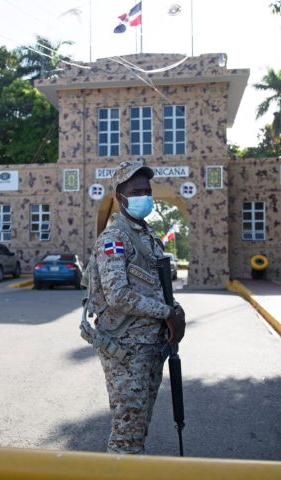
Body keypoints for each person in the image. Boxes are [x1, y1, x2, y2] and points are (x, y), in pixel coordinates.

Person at [81, 159, 186, 454]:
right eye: (136, 191)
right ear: (120, 197)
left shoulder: (148, 237)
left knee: (138, 427)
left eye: (146, 190)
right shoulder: (114, 238)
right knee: (127, 433)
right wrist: (167, 313)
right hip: (125, 349)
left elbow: (156, 287)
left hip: (151, 346)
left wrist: (176, 309)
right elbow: (118, 295)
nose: (144, 196)